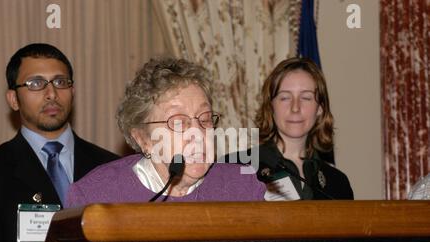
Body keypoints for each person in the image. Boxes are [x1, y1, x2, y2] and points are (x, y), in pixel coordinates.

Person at [0, 43, 119, 242]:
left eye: (60, 82)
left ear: (73, 91)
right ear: (13, 98)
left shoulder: (111, 167)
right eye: (35, 84)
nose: (51, 94)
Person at [66, 57, 265, 207]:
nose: (197, 134)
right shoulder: (96, 196)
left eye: (204, 119)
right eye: (178, 123)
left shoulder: (242, 188)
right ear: (143, 139)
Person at [253, 57, 353, 200]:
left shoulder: (337, 182)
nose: (295, 108)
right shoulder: (237, 168)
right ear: (270, 107)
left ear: (320, 108)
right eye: (285, 98)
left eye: (306, 98)